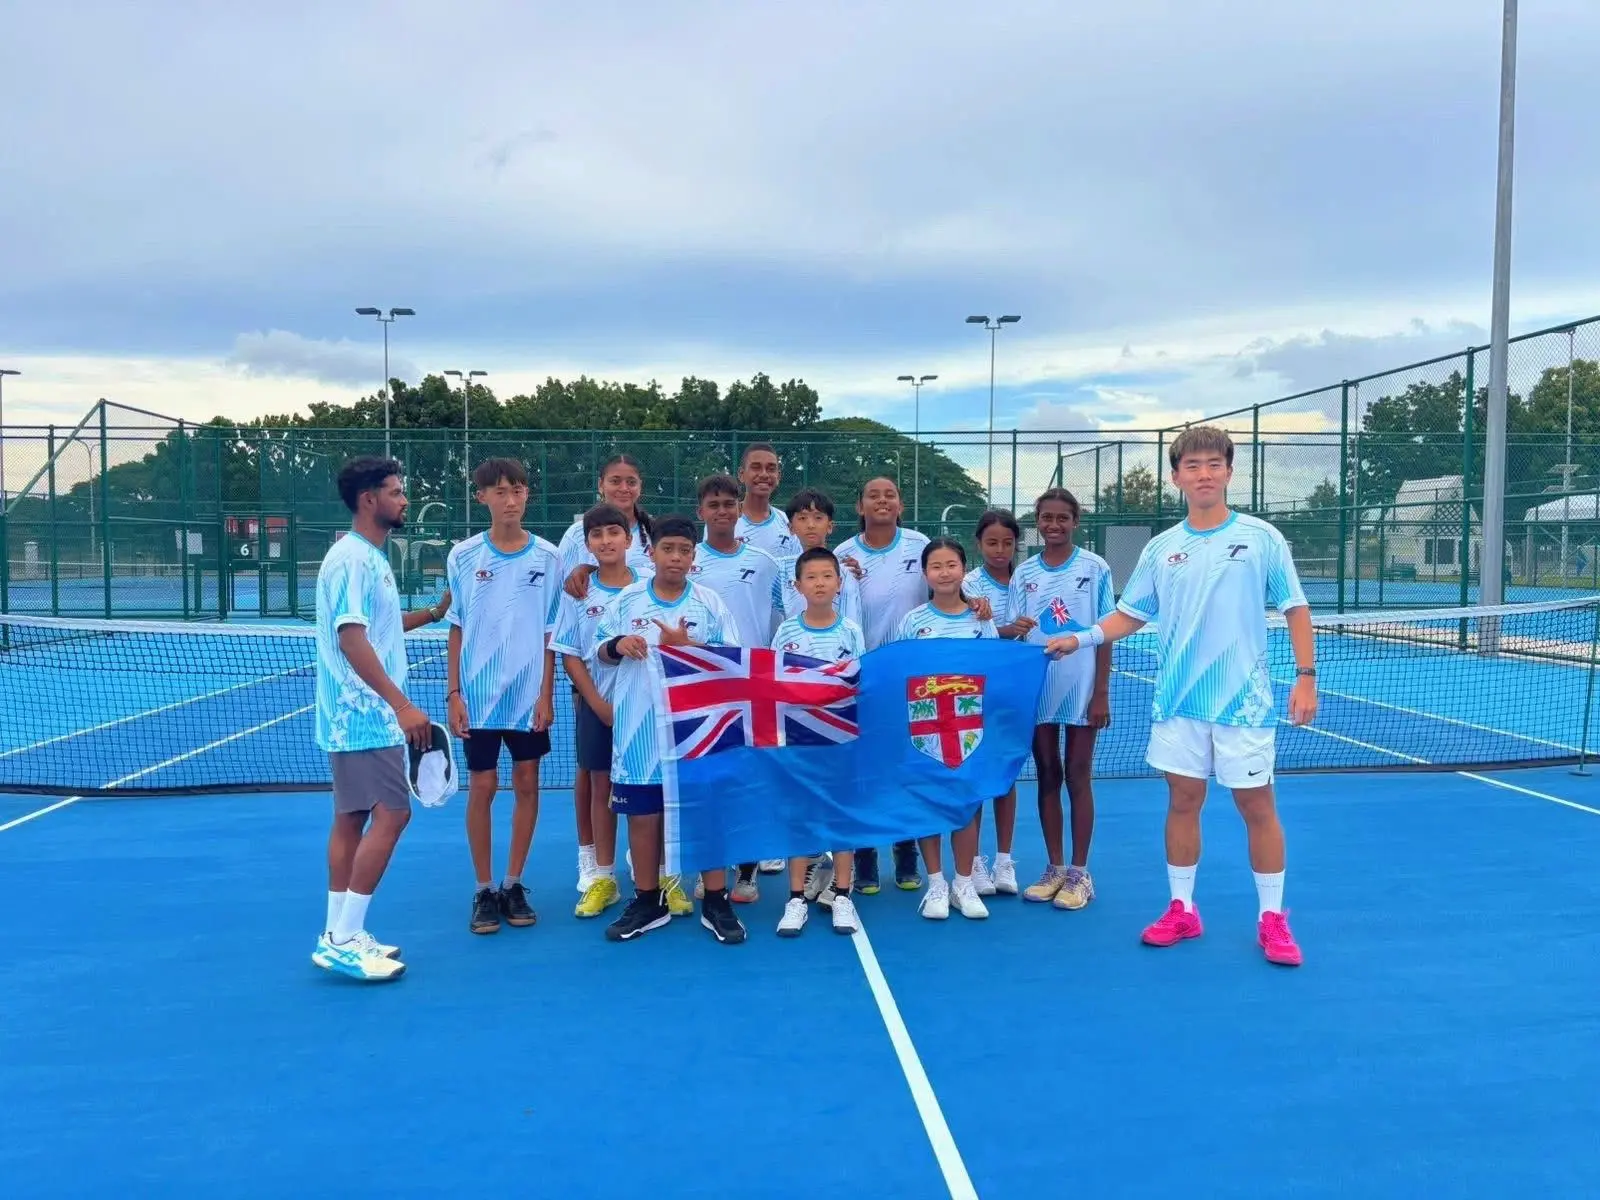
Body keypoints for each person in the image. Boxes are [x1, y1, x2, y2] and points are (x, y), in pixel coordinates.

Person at [1045, 425, 1316, 967]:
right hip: (1178, 704)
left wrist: (1305, 676)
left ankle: (1273, 920)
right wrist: (1081, 637)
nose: (1204, 474)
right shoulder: (1162, 548)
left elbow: (1295, 607)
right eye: (1192, 465)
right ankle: (1182, 908)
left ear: (1229, 472)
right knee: (1183, 802)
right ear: (1177, 477)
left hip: (1245, 704)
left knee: (1256, 806)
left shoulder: (1263, 538)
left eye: (1214, 464)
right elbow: (1130, 614)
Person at [311, 456, 449, 982]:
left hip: (351, 716)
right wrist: (401, 705)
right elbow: (352, 638)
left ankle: (337, 932)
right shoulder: (354, 561)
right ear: (369, 499)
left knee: (351, 817)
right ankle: (345, 938)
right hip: (364, 715)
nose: (403, 499)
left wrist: (435, 614)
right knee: (393, 814)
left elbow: (383, 627)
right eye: (395, 491)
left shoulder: (367, 557)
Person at [592, 514, 747, 945]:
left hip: (699, 731)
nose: (675, 557)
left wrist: (690, 648)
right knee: (642, 817)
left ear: (693, 556)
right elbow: (598, 654)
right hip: (639, 732)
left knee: (707, 813)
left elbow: (733, 661)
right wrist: (617, 644)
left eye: (684, 550)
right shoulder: (625, 602)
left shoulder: (710, 604)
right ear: (652, 553)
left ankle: (716, 900)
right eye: (667, 549)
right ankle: (648, 900)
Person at [445, 458, 562, 935]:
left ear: (527, 495)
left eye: (517, 490)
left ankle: (513, 883)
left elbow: (553, 632)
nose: (510, 500)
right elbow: (456, 628)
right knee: (482, 788)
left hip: (528, 697)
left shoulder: (550, 558)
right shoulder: (464, 556)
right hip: (478, 696)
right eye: (499, 492)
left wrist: (546, 694)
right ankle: (483, 888)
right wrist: (453, 692)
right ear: (482, 498)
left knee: (528, 785)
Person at [550, 502, 664, 918]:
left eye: (613, 534)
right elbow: (570, 655)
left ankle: (662, 875)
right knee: (603, 790)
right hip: (598, 708)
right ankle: (603, 877)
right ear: (588, 546)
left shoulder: (651, 584)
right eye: (597, 536)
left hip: (649, 710)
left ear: (629, 540)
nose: (606, 541)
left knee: (655, 790)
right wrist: (597, 704)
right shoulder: (579, 591)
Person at [1010, 488, 1114, 911]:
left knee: (1077, 775)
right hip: (1039, 689)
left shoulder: (1096, 567)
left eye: (1062, 518)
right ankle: (1054, 868)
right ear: (1038, 521)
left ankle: (1079, 873)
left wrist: (1100, 693)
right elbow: (1018, 634)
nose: (1053, 525)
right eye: (1046, 518)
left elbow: (1108, 631)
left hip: (1083, 688)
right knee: (1048, 774)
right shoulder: (1024, 574)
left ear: (1076, 521)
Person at [833, 476, 932, 893]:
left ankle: (905, 847)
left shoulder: (919, 544)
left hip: (910, 678)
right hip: (862, 678)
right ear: (860, 506)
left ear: (901, 504)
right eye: (872, 495)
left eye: (890, 494)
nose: (881, 501)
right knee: (864, 768)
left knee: (905, 765)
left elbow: (945, 593)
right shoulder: (842, 554)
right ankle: (866, 853)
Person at [690, 472, 787, 899]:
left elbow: (782, 622)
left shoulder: (767, 563)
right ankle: (708, 864)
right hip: (703, 689)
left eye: (729, 504)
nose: (722, 511)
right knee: (709, 779)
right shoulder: (686, 560)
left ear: (738, 509)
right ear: (701, 512)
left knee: (748, 778)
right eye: (714, 505)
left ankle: (746, 869)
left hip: (753, 685)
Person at [895, 537, 1000, 921]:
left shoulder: (981, 619)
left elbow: (993, 669)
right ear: (925, 574)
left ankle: (964, 884)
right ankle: (936, 884)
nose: (944, 572)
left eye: (951, 565)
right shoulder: (913, 621)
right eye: (936, 566)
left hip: (970, 728)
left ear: (963, 569)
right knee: (931, 804)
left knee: (968, 805)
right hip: (925, 730)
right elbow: (901, 671)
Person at [769, 546, 865, 938]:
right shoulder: (787, 632)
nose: (820, 583)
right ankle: (795, 899)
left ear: (839, 584)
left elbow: (861, 684)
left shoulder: (851, 631)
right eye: (811, 577)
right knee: (799, 816)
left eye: (827, 575)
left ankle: (842, 894)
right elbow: (774, 683)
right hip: (799, 740)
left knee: (840, 816)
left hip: (841, 740)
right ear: (798, 586)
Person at [961, 509, 1031, 897]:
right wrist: (1005, 631)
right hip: (975, 696)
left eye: (1007, 543)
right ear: (978, 544)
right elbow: (972, 637)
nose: (1000, 550)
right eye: (992, 542)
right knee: (975, 776)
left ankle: (1005, 860)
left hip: (1014, 694)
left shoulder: (1026, 580)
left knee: (1006, 777)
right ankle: (973, 863)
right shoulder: (967, 584)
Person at [775, 487, 863, 628]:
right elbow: (776, 620)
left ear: (830, 526)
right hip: (793, 647)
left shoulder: (845, 570)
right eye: (802, 518)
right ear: (791, 528)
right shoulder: (780, 570)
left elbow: (852, 622)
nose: (810, 525)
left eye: (818, 518)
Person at [730, 442, 799, 557]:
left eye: (771, 469)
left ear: (778, 476)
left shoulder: (788, 523)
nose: (764, 474)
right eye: (756, 468)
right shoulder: (725, 520)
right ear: (741, 474)